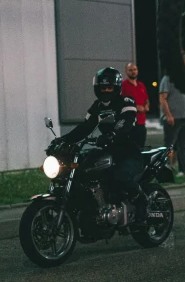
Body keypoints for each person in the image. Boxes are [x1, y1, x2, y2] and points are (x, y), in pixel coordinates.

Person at [51, 67, 149, 223]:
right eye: (103, 87)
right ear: (97, 88)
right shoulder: (97, 106)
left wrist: (113, 134)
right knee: (83, 170)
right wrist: (64, 140)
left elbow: (125, 122)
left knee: (120, 177)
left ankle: (141, 201)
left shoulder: (126, 101)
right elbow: (85, 127)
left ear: (116, 87)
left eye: (109, 87)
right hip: (108, 150)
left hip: (129, 152)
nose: (106, 90)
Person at [121, 62, 150, 148]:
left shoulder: (141, 85)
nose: (133, 72)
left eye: (135, 69)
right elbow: (120, 103)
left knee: (141, 148)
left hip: (141, 123)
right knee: (130, 149)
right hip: (129, 124)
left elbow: (146, 100)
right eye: (130, 70)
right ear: (126, 71)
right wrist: (135, 107)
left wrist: (146, 106)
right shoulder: (123, 85)